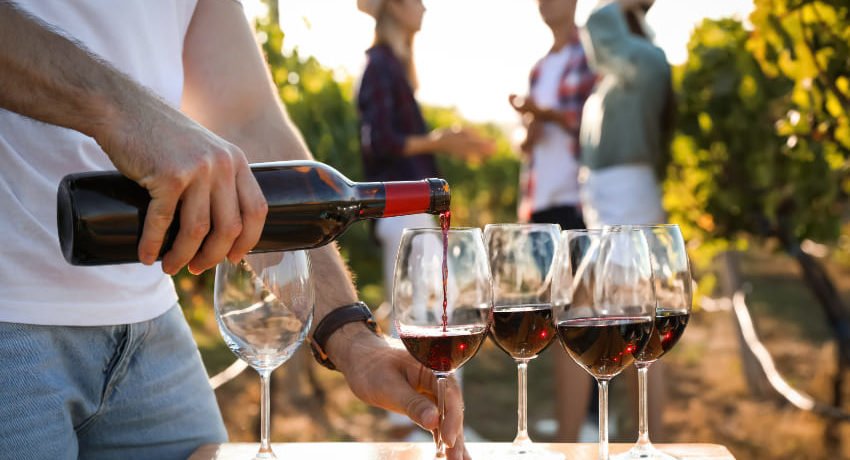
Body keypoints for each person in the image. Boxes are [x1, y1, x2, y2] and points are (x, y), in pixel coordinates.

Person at [0, 1, 469, 459]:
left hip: (150, 323)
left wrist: (352, 339)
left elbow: (248, 123)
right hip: (11, 316)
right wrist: (124, 111)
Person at [355, 0, 495, 319]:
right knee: (423, 320)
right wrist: (439, 142)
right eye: (418, 1)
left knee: (429, 315)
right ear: (396, 5)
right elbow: (380, 142)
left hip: (410, 210)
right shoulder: (379, 65)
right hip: (401, 211)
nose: (424, 8)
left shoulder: (392, 66)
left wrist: (446, 142)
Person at [577, 0, 676, 440]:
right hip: (610, 202)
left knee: (639, 327)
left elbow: (596, 22)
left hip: (627, 201)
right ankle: (635, 438)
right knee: (625, 323)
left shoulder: (646, 60)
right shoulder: (628, 66)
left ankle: (647, 441)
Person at [508, 0, 598, 442]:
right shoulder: (540, 67)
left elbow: (592, 127)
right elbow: (529, 142)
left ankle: (585, 425)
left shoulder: (589, 55)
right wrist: (529, 129)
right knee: (559, 318)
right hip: (541, 204)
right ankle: (575, 422)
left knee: (581, 314)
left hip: (576, 201)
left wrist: (545, 115)